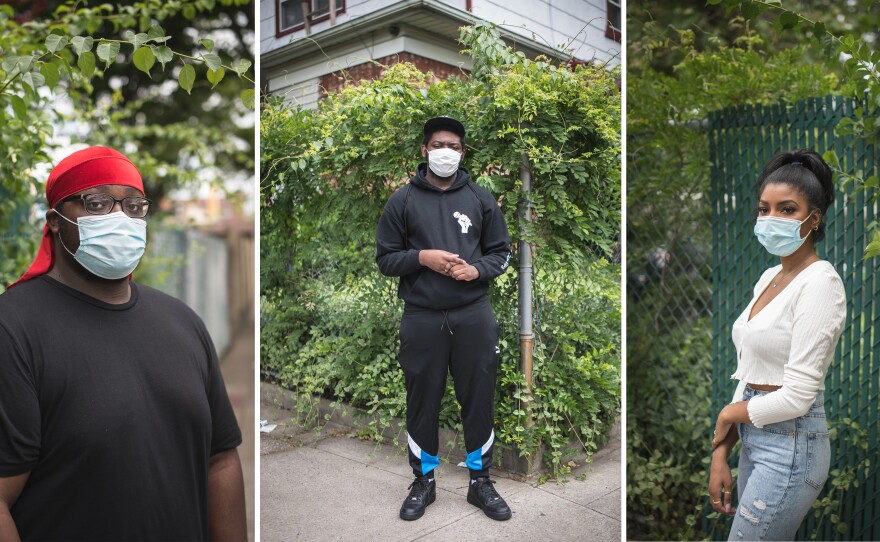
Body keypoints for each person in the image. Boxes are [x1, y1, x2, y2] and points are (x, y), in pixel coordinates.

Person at [0, 146, 246, 541]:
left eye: (134, 206)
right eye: (96, 203)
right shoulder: (13, 330)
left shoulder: (183, 322)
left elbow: (220, 460)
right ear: (57, 221)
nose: (120, 218)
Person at [376, 116, 513, 521]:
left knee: (478, 397)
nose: (445, 152)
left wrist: (476, 270)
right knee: (423, 398)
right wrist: (422, 257)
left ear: (462, 152)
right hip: (421, 316)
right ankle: (424, 482)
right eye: (438, 144)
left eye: (453, 145)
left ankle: (480, 483)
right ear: (424, 150)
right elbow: (385, 259)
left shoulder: (481, 198)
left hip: (473, 314)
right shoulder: (401, 200)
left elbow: (501, 253)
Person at [709, 149, 846, 541]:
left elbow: (798, 396)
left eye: (787, 210)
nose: (771, 220)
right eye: (764, 209)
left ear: (813, 218)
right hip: (755, 437)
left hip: (792, 445)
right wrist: (722, 449)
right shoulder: (769, 276)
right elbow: (750, 370)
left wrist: (727, 415)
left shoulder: (821, 283)